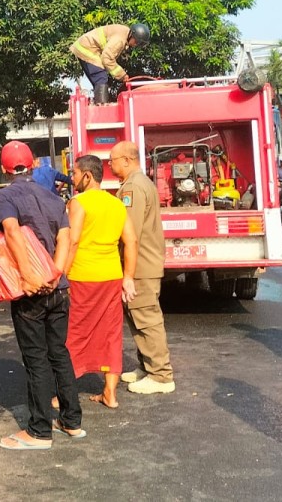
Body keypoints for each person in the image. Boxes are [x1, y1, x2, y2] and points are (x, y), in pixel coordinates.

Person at [0, 140, 80, 451]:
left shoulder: (4, 196)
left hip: (31, 292)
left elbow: (13, 232)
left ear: (5, 168)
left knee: (36, 359)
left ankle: (40, 430)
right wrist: (55, 276)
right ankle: (71, 421)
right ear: (32, 165)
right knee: (59, 352)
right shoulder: (53, 197)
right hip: (59, 288)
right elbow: (66, 238)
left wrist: (32, 276)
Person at [63, 155, 138, 408]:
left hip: (83, 277)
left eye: (74, 174)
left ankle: (64, 395)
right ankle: (110, 393)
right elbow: (131, 241)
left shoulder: (78, 202)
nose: (71, 179)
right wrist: (128, 276)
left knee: (75, 333)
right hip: (111, 276)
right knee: (110, 333)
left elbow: (72, 241)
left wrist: (61, 274)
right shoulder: (116, 203)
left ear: (87, 176)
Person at [109, 141, 176, 394]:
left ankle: (161, 375)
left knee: (147, 319)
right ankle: (148, 366)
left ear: (127, 160)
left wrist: (125, 271)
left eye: (113, 160)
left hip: (140, 265)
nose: (110, 164)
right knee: (138, 316)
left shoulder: (134, 187)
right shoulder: (140, 182)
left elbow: (129, 233)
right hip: (144, 263)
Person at [70, 23, 151, 104]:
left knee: (99, 81)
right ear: (132, 35)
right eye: (137, 42)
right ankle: (102, 106)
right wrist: (122, 75)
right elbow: (107, 58)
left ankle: (99, 102)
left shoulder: (124, 33)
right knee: (101, 77)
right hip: (87, 49)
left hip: (84, 47)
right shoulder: (120, 40)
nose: (135, 45)